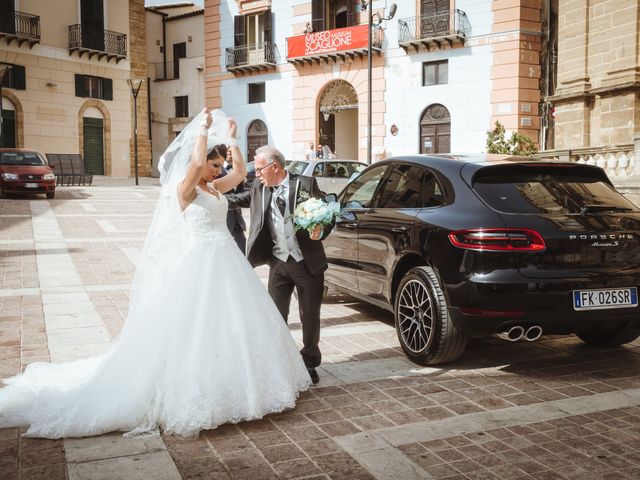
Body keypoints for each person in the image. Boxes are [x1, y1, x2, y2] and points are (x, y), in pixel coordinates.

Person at [0, 110, 311, 439]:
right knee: (197, 326)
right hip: (202, 262)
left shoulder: (216, 187)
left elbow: (237, 177)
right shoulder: (186, 188)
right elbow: (194, 165)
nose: (219, 170)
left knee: (235, 323)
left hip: (227, 261)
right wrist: (203, 132)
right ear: (201, 161)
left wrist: (232, 139)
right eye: (214, 164)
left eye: (219, 166)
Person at [227, 146, 333, 385]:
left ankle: (309, 361)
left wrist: (321, 229)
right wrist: (207, 196)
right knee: (275, 316)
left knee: (310, 317)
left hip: (307, 263)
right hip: (279, 263)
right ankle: (282, 360)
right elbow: (235, 199)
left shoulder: (305, 185)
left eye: (259, 168)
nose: (256, 173)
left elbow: (327, 212)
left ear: (275, 166)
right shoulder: (259, 188)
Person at [218, 147, 247, 253]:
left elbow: (240, 194)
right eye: (227, 148)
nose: (230, 151)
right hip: (224, 217)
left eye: (232, 148)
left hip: (237, 217)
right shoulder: (217, 170)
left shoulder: (238, 170)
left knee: (243, 247)